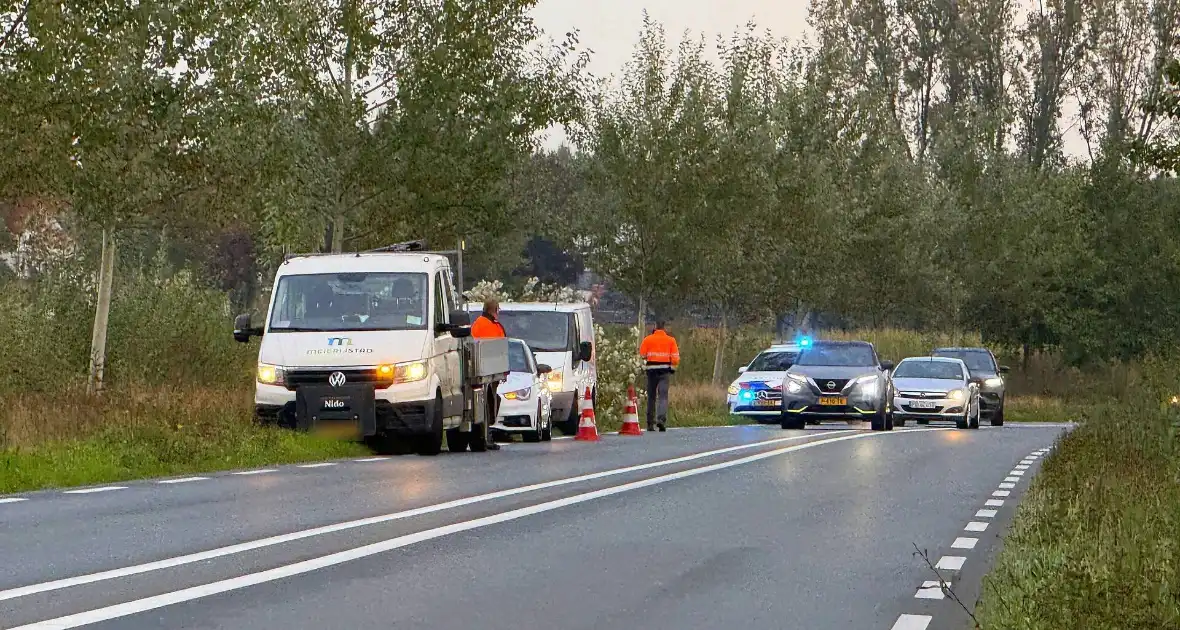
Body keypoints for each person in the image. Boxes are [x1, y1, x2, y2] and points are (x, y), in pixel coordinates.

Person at [470, 299, 506, 450]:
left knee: (489, 403)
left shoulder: (478, 323)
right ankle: (486, 437)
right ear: (495, 310)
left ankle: (486, 435)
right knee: (489, 404)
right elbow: (498, 348)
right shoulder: (491, 326)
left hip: (481, 369)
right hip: (488, 372)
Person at [639, 320, 680, 432]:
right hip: (664, 372)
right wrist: (672, 368)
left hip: (651, 371)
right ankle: (661, 419)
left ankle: (649, 423)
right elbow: (675, 358)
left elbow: (642, 354)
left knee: (651, 397)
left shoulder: (648, 340)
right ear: (664, 328)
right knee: (663, 396)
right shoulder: (671, 340)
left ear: (655, 327)